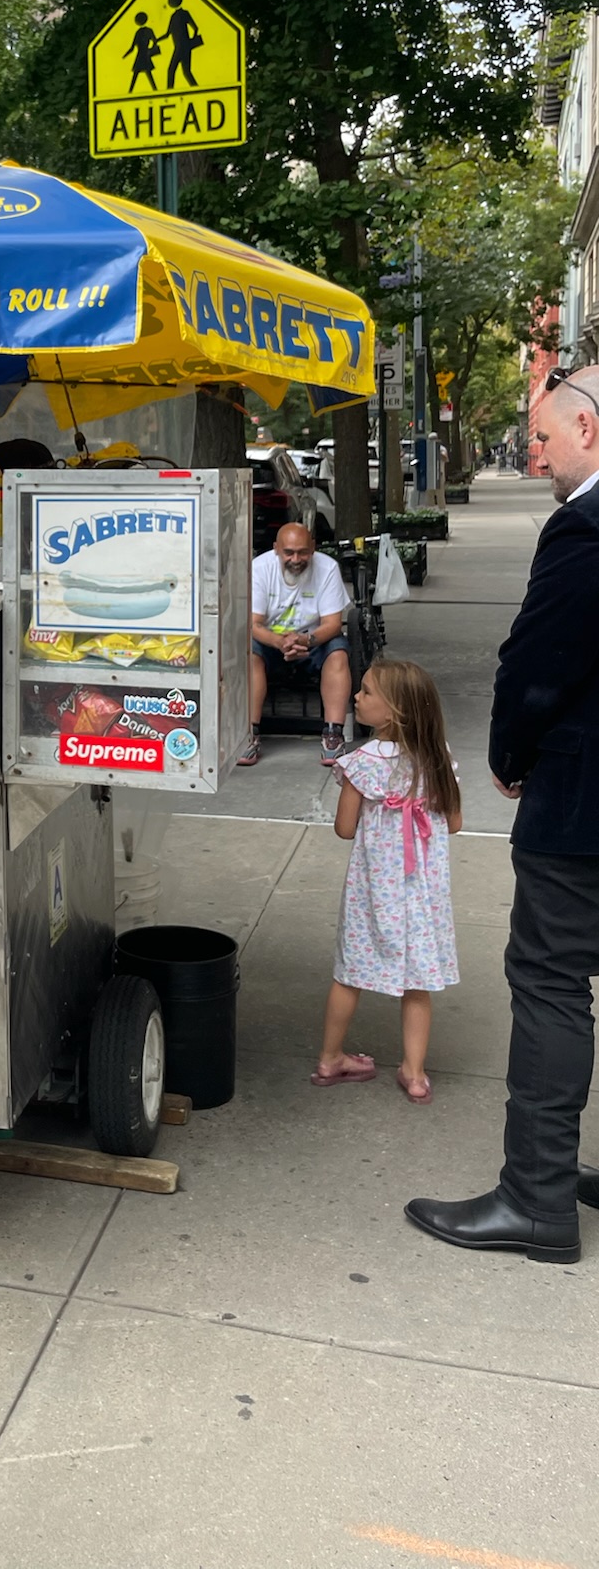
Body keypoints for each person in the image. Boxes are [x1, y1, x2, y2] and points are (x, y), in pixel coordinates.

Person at [407, 366, 599, 1263]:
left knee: (552, 984)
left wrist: (508, 756)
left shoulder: (585, 529)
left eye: (545, 436)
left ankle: (536, 1201)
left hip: (583, 807)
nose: (537, 452)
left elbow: (537, 664)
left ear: (587, 428)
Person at [313, 660, 461, 1101]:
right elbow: (454, 822)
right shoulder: (438, 760)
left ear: (395, 711)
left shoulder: (361, 764)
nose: (357, 698)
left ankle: (331, 1057)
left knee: (349, 973)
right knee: (417, 983)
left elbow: (344, 828)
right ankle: (414, 1074)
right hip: (423, 895)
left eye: (366, 692)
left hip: (373, 891)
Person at [240, 523, 352, 767]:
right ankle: (249, 733)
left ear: (313, 548)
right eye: (289, 552)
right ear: (275, 550)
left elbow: (332, 623)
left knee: (338, 651)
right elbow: (253, 623)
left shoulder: (327, 568)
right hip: (271, 642)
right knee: (250, 651)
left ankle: (333, 734)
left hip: (313, 640)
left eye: (303, 552)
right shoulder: (259, 568)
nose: (296, 559)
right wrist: (280, 642)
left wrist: (306, 640)